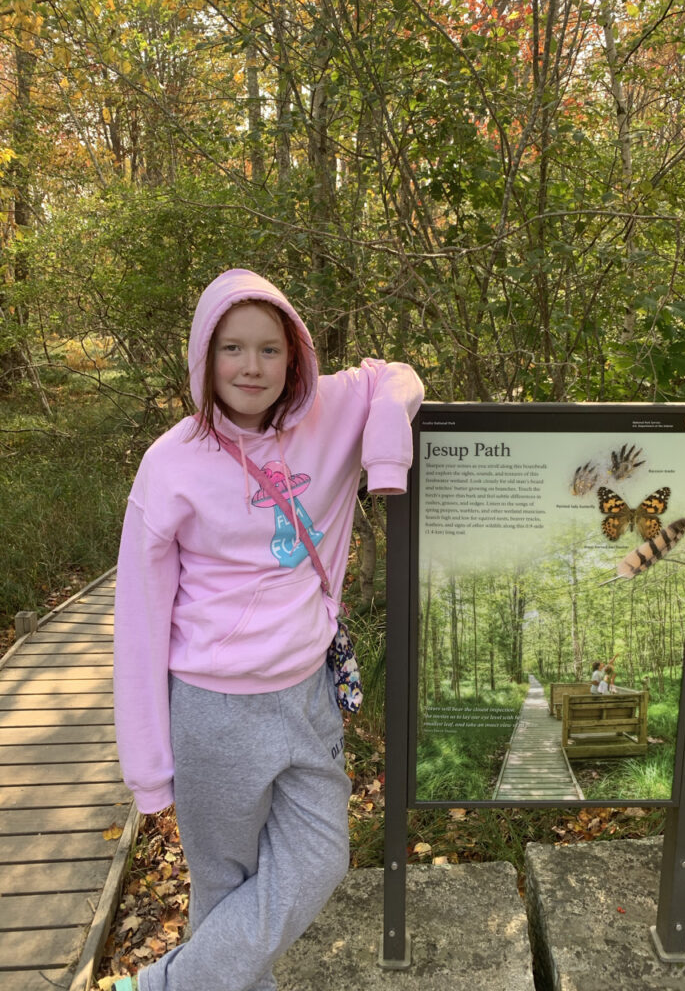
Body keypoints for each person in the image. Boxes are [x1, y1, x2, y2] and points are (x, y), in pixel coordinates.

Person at [112, 269, 424, 991]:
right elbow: (138, 622)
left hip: (306, 695)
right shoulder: (169, 465)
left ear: (295, 356)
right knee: (226, 887)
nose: (251, 367)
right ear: (203, 357)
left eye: (268, 350)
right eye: (231, 349)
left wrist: (384, 455)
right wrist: (148, 767)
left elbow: (395, 375)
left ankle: (165, 986)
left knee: (322, 857)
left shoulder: (329, 414)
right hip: (212, 710)